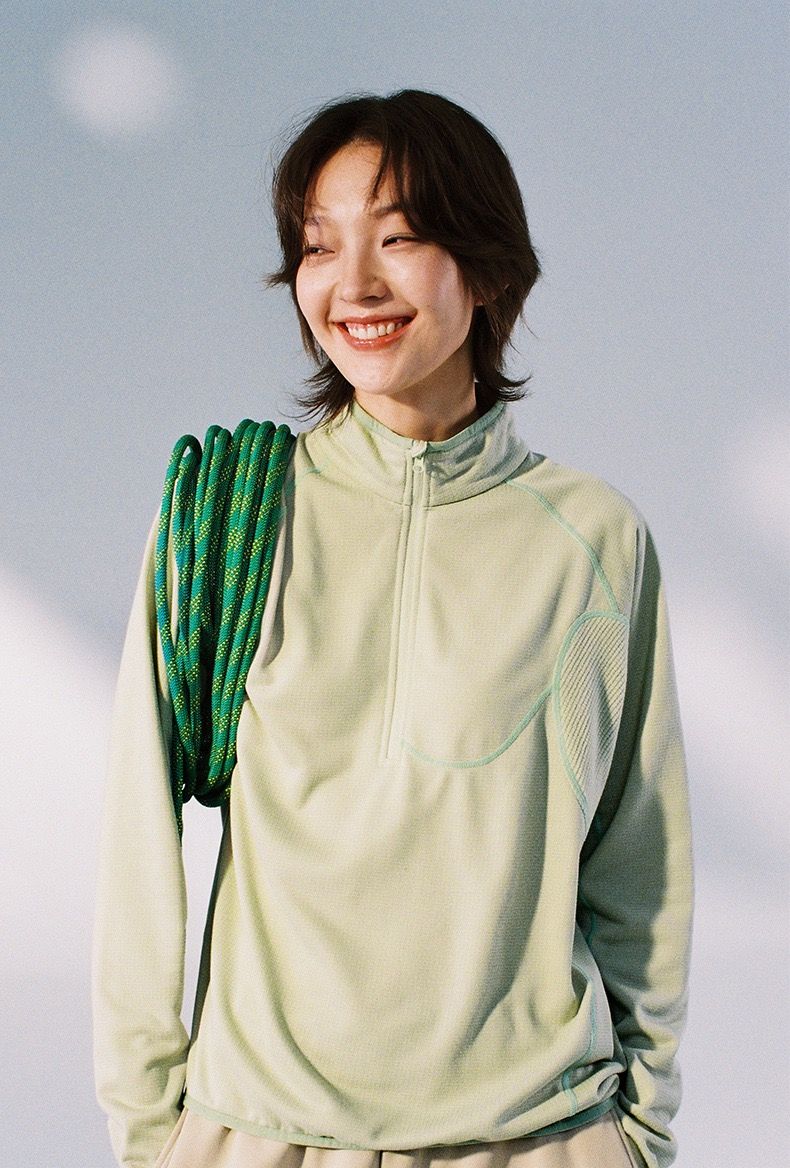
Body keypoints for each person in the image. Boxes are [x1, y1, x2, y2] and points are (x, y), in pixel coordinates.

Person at [92, 89, 693, 1168]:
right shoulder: (227, 516)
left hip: (537, 1134)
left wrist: (638, 1130)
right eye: (319, 245)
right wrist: (152, 1132)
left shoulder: (592, 540)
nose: (354, 284)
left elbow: (637, 863)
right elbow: (138, 832)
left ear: (490, 269)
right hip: (259, 1132)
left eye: (400, 237)